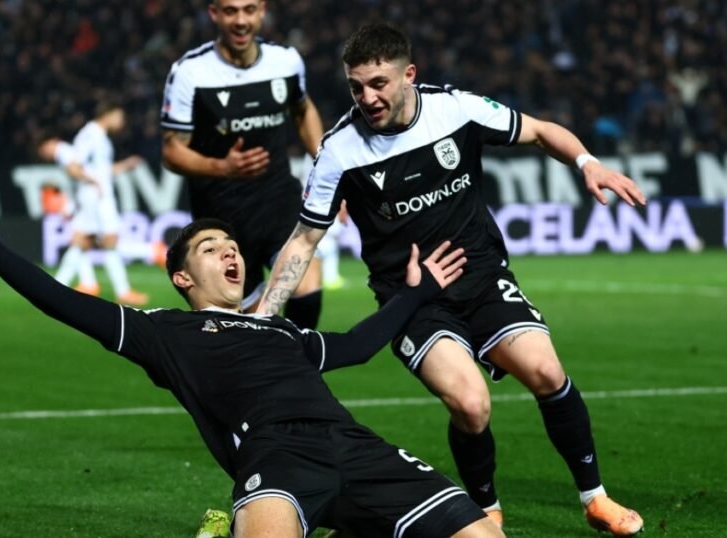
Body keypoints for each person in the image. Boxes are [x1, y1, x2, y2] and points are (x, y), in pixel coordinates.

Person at [0, 169, 503, 538]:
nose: (230, 252)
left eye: (232, 245)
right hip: (276, 456)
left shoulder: (282, 331)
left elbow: (358, 345)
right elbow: (59, 300)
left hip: (355, 445)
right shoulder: (165, 332)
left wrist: (416, 293)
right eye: (210, 247)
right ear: (182, 278)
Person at [258, 24, 646, 537]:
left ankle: (595, 499)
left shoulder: (455, 109)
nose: (367, 98)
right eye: (356, 87)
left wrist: (587, 162)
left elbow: (539, 130)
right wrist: (261, 319)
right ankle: (487, 509)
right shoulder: (340, 151)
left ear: (408, 75)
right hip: (413, 300)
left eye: (378, 83)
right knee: (470, 403)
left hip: (482, 278)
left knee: (547, 373)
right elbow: (304, 240)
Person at [160, 0, 324, 328]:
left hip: (277, 197)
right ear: (214, 14)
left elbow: (303, 110)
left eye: (249, 10)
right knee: (249, 320)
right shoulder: (190, 72)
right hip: (222, 213)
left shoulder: (285, 61)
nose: (240, 20)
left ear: (262, 10)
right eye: (230, 11)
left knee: (306, 286)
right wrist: (223, 167)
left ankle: (299, 358)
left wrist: (327, 167)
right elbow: (171, 151)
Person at [39, 102, 148, 306]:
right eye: (119, 116)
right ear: (109, 113)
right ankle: (123, 291)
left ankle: (58, 287)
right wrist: (93, 182)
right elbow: (74, 165)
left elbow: (101, 170)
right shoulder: (91, 134)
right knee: (108, 240)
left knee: (83, 241)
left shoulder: (99, 136)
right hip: (95, 196)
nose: (122, 122)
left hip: (95, 194)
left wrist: (125, 165)